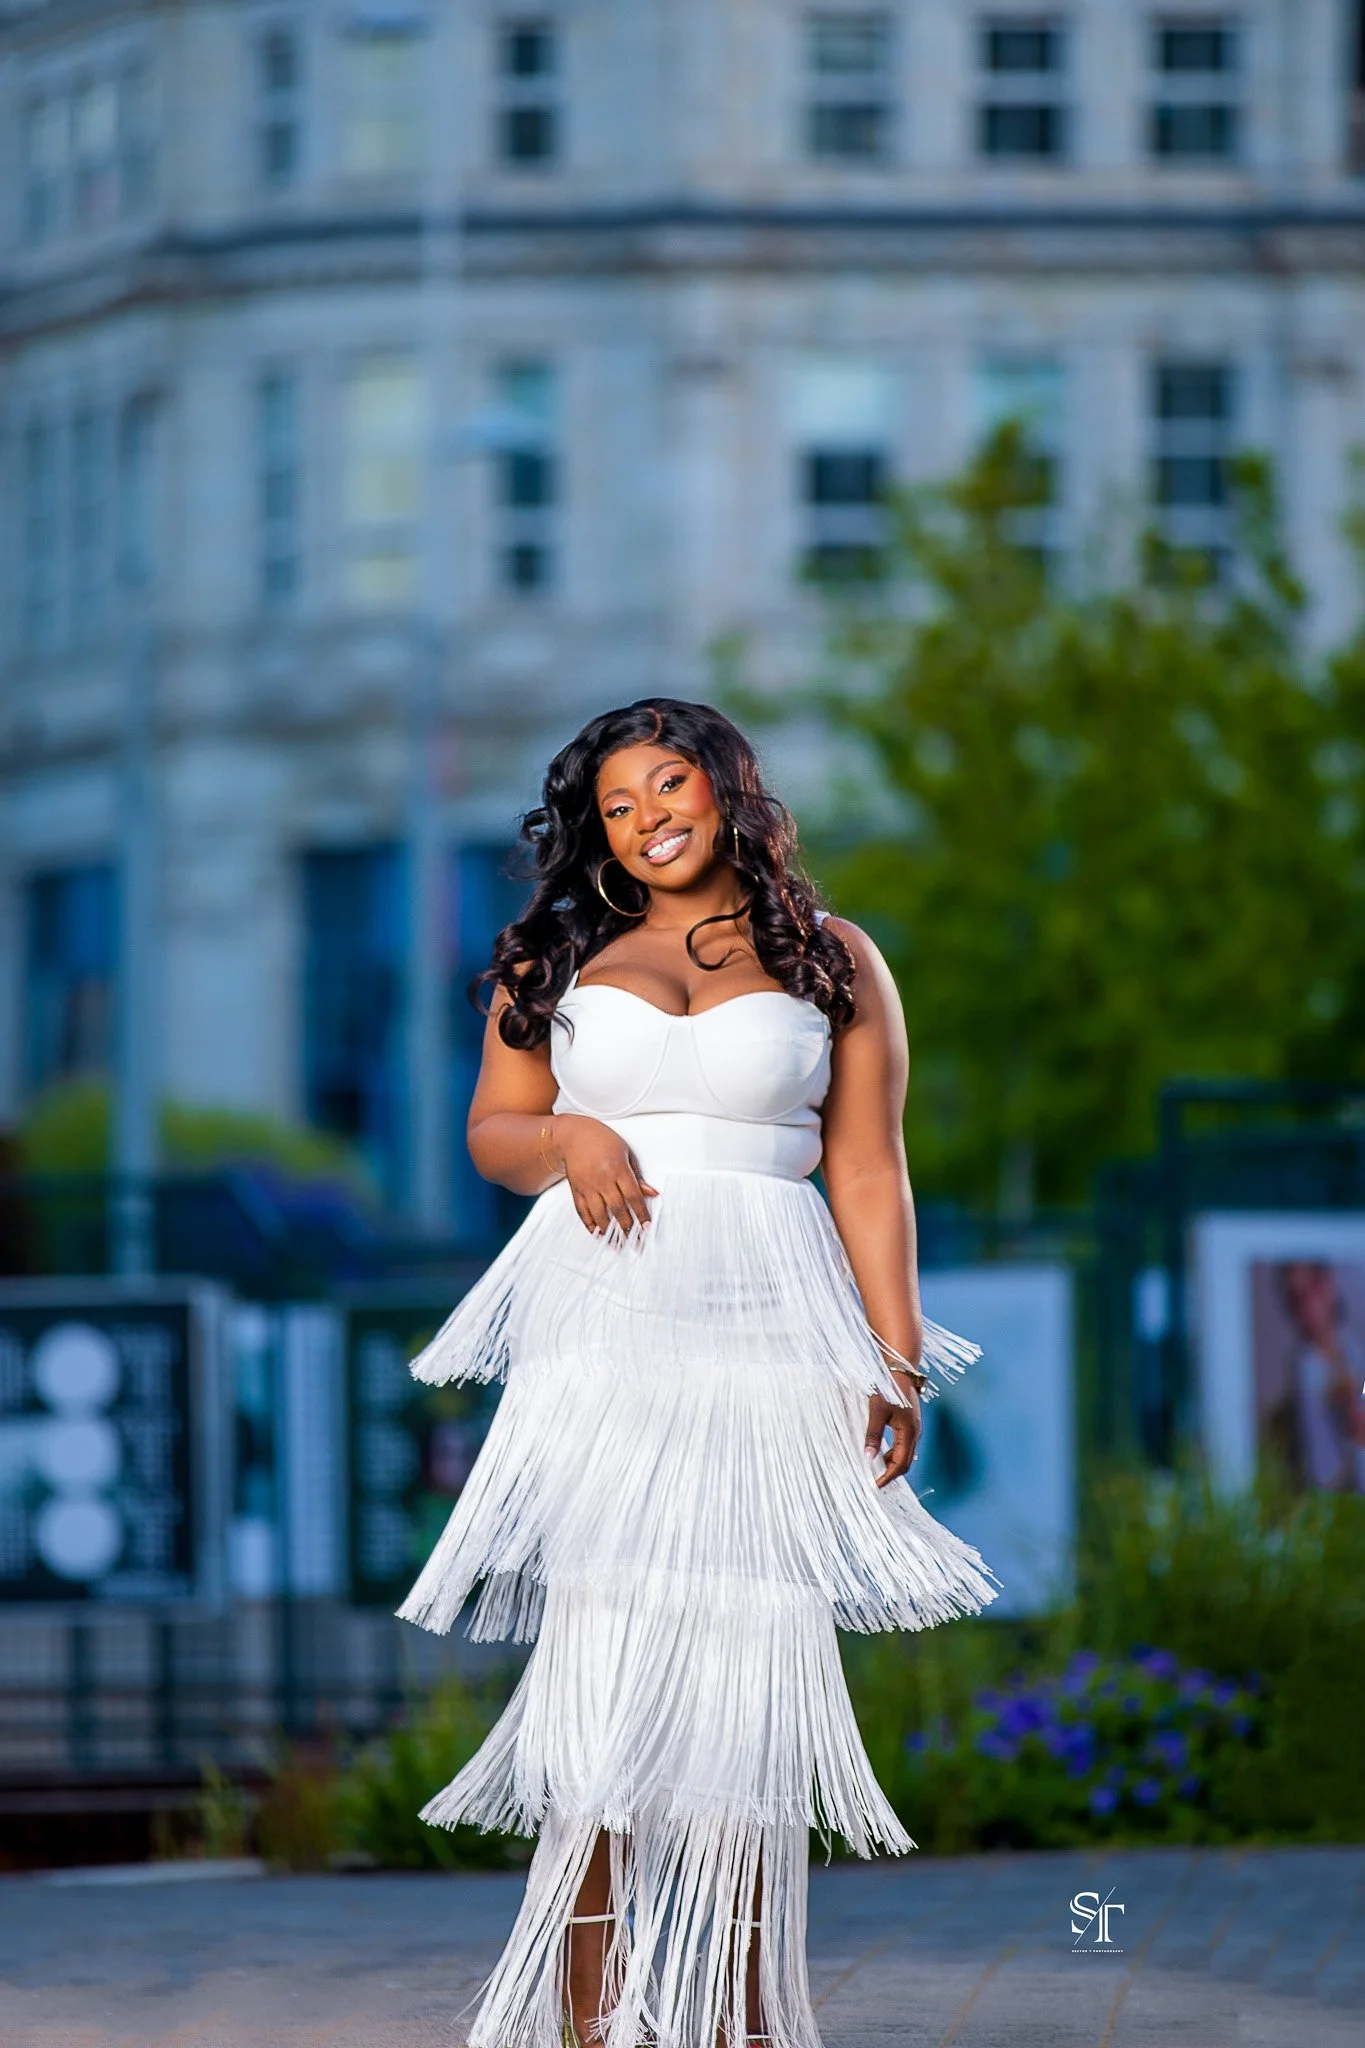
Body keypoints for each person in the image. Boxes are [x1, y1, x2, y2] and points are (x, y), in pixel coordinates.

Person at [396, 698, 998, 2048]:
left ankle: (735, 2025)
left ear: (729, 790)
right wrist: (572, 1144)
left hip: (769, 1338)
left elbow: (866, 1169)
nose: (649, 817)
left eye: (670, 786)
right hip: (605, 1336)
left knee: (744, 1696)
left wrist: (892, 1360)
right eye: (617, 804)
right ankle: (593, 2027)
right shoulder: (551, 952)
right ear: (592, 827)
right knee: (600, 1688)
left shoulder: (836, 959)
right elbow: (497, 1128)